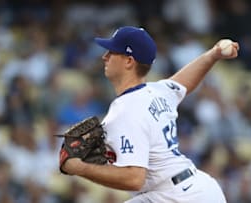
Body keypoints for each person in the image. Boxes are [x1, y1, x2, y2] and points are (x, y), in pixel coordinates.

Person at [61, 26, 239, 203]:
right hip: (199, 189)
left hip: (174, 196)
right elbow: (183, 83)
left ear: (129, 61)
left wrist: (81, 168)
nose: (104, 56)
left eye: (112, 52)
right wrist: (212, 56)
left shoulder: (126, 110)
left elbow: (134, 179)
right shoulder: (156, 90)